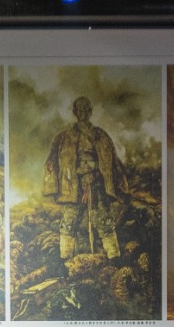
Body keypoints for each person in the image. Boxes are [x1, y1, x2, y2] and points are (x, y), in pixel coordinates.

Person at [43, 95, 125, 261]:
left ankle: (115, 259)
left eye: (86, 109)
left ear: (90, 111)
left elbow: (112, 160)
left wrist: (102, 177)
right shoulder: (63, 137)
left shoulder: (101, 136)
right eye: (80, 110)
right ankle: (64, 262)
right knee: (69, 222)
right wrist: (54, 185)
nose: (83, 113)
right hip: (73, 187)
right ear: (75, 112)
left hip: (96, 185)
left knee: (104, 222)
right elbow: (52, 161)